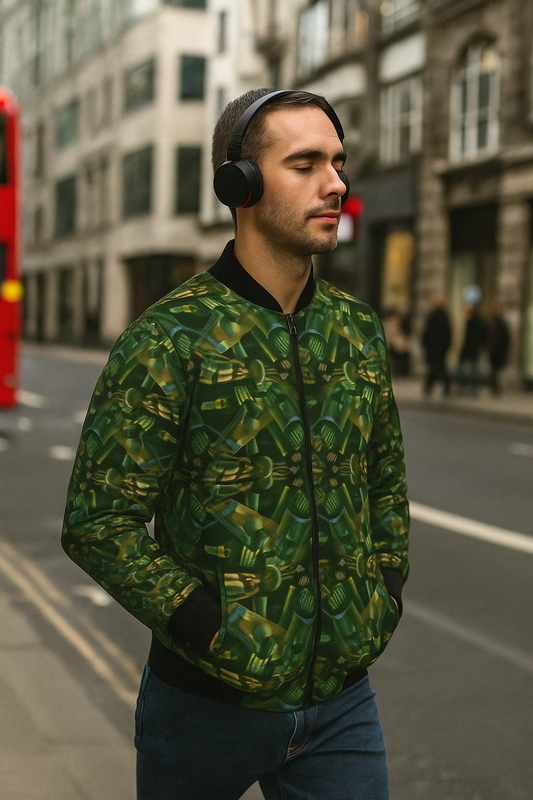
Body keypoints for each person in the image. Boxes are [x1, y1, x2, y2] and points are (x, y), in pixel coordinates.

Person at [62, 88, 409, 800]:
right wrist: (208, 626)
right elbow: (98, 523)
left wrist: (385, 593)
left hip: (342, 703)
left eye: (338, 162)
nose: (335, 183)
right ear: (239, 185)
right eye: (305, 164)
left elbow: (383, 480)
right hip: (204, 708)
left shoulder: (355, 329)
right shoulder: (170, 337)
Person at [422, 293, 451, 396]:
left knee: (436, 367)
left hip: (434, 347)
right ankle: (428, 387)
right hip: (440, 347)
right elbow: (448, 333)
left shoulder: (434, 316)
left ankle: (443, 385)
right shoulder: (444, 316)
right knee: (436, 367)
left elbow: (429, 332)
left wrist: (425, 343)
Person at [457, 304, 487, 396]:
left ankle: (468, 387)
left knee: (471, 369)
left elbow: (471, 337)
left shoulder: (472, 322)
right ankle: (471, 387)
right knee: (472, 368)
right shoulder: (476, 321)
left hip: (471, 349)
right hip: (473, 349)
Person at [487, 301, 510, 395]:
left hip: (499, 351)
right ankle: (495, 388)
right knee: (494, 370)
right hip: (493, 350)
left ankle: (496, 388)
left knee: (497, 370)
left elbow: (505, 338)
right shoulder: (492, 322)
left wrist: (504, 349)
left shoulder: (501, 323)